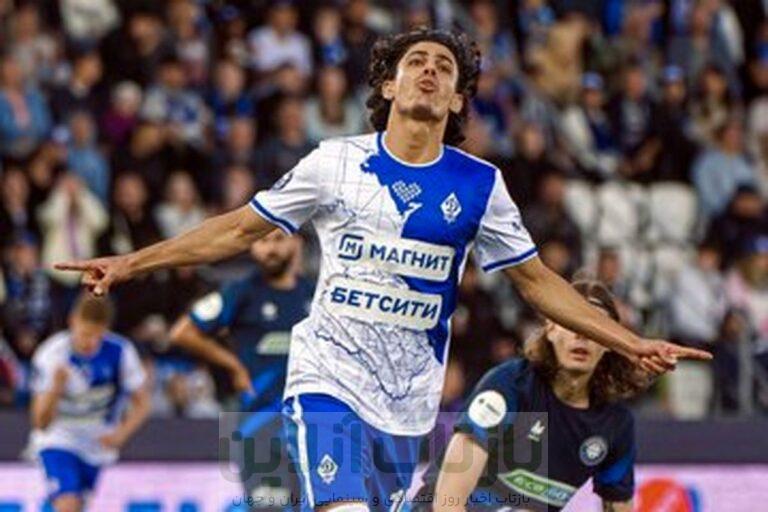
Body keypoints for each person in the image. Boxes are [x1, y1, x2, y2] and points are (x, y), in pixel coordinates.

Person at [55, 28, 710, 512]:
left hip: (409, 404)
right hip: (328, 380)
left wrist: (630, 342)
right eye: (416, 62)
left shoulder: (481, 186)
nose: (430, 70)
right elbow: (237, 229)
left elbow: (537, 283)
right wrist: (131, 262)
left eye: (445, 67)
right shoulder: (334, 163)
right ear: (389, 86)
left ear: (458, 100)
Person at [415, 280, 646, 512]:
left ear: (610, 341)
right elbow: (447, 502)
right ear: (551, 329)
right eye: (571, 321)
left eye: (594, 325)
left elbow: (620, 505)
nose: (581, 334)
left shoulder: (614, 424)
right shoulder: (509, 386)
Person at [169, 229, 313, 509]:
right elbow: (182, 332)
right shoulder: (240, 292)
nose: (270, 250)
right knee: (268, 507)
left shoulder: (315, 294)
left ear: (296, 242)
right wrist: (233, 365)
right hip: (258, 423)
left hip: (310, 425)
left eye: (278, 240)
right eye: (262, 241)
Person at [28, 294, 150, 512]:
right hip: (59, 438)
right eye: (85, 334)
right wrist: (55, 388)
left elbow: (142, 403)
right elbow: (40, 422)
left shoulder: (121, 351)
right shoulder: (52, 354)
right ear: (72, 321)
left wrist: (121, 434)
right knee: (68, 504)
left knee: (78, 506)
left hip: (97, 443)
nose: (90, 342)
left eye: (97, 336)